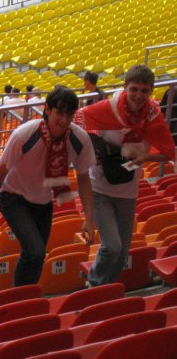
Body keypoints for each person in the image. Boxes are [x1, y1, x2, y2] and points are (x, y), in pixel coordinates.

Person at [0, 85, 96, 287]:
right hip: (13, 197)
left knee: (36, 254)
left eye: (69, 114)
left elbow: (84, 178)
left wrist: (89, 219)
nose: (64, 120)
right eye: (59, 112)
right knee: (35, 251)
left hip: (43, 201)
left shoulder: (79, 139)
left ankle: (26, 292)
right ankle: (20, 296)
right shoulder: (25, 134)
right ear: (47, 109)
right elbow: (1, 171)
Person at [81, 65, 175, 287]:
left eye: (144, 91)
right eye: (134, 89)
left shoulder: (153, 116)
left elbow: (169, 152)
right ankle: (94, 285)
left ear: (151, 91)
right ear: (125, 87)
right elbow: (79, 124)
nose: (138, 95)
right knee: (112, 246)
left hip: (128, 190)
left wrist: (145, 157)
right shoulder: (108, 108)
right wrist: (93, 152)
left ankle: (105, 287)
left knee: (122, 252)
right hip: (99, 187)